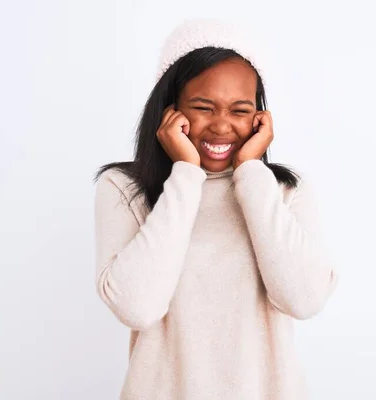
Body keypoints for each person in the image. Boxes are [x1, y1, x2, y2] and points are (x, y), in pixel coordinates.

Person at [93, 18, 338, 400]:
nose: (222, 127)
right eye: (203, 107)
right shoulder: (124, 190)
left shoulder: (285, 191)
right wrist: (187, 174)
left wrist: (252, 173)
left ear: (260, 117)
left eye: (240, 110)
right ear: (169, 109)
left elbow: (303, 300)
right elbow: (138, 307)